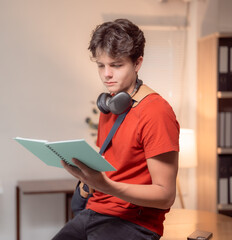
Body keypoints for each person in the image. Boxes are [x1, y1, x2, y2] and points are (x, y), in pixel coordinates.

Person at [52, 19, 179, 240]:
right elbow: (112, 166)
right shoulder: (110, 105)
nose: (106, 74)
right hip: (93, 212)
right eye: (101, 65)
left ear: (137, 63)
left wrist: (106, 186)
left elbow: (165, 195)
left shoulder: (156, 112)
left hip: (134, 222)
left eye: (116, 65)